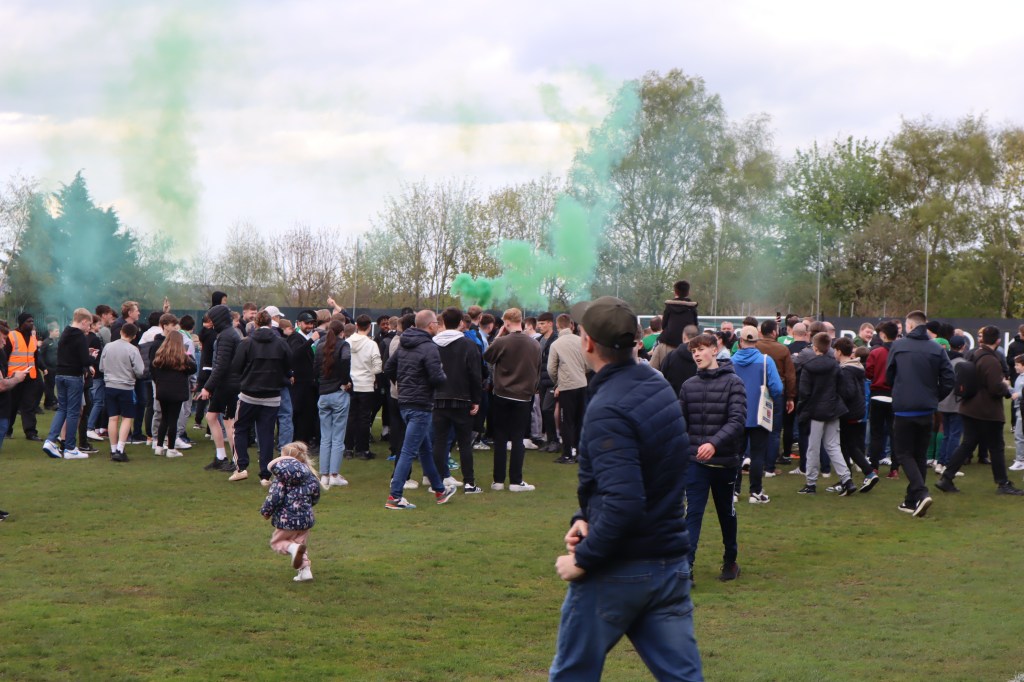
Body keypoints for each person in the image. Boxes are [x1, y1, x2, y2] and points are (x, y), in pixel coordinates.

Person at [550, 296, 702, 681]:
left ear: (586, 343)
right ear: (636, 340)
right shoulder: (656, 384)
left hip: (622, 568)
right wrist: (585, 517)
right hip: (668, 565)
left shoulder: (610, 407)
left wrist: (583, 559)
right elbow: (643, 474)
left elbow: (626, 501)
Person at [677, 332, 746, 582]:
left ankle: (730, 561)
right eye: (693, 350)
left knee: (725, 513)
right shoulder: (688, 386)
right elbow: (680, 424)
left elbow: (738, 421)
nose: (696, 354)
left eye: (701, 349)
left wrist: (714, 444)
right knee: (692, 513)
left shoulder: (733, 382)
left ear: (715, 350)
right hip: (696, 463)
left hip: (725, 462)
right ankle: (686, 568)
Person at [935, 325, 1024, 496]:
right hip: (987, 410)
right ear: (998, 341)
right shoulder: (991, 360)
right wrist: (1005, 388)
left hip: (969, 406)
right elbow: (994, 387)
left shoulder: (973, 354)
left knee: (967, 444)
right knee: (997, 446)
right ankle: (1003, 483)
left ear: (982, 339)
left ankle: (947, 477)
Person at [383, 310, 458, 509]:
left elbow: (389, 368)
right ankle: (395, 496)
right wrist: (442, 377)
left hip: (406, 403)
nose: (437, 325)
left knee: (425, 449)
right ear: (430, 325)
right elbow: (436, 377)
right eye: (436, 322)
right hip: (420, 405)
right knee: (408, 451)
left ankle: (440, 491)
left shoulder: (404, 343)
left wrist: (402, 385)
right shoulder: (428, 347)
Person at [885, 310, 954, 517]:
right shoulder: (936, 349)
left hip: (905, 408)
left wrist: (901, 391)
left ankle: (921, 493)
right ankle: (910, 500)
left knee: (904, 453)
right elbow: (949, 379)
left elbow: (889, 377)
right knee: (919, 455)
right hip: (926, 409)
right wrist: (933, 397)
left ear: (910, 326)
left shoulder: (898, 346)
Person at [229, 310, 292, 484]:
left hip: (249, 394)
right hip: (272, 395)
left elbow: (236, 366)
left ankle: (241, 467)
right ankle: (266, 474)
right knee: (266, 435)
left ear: (255, 324)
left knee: (239, 428)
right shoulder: (281, 343)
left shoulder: (247, 343)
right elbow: (289, 365)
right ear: (271, 324)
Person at [484, 308, 542, 492]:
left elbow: (487, 357)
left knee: (500, 438)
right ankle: (516, 481)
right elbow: (538, 369)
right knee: (518, 438)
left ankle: (498, 481)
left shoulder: (502, 342)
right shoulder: (534, 344)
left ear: (507, 322)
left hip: (502, 394)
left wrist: (498, 337)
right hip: (523, 396)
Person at [795, 333, 857, 497]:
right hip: (832, 409)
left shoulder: (808, 367)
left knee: (813, 448)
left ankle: (811, 483)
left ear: (814, 347)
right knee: (833, 446)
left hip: (815, 411)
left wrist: (802, 411)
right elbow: (842, 389)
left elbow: (804, 392)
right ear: (829, 347)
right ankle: (846, 479)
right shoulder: (835, 366)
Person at [432, 307, 483, 493]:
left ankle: (436, 481)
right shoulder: (468, 345)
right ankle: (469, 483)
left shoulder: (433, 344)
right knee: (463, 443)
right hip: (461, 398)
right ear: (461, 322)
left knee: (440, 441)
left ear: (443, 322)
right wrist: (476, 399)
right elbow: (475, 375)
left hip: (439, 398)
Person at [730, 326, 783, 503]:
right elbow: (777, 388)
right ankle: (755, 492)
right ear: (756, 341)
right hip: (759, 413)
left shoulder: (730, 362)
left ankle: (734, 492)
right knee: (758, 454)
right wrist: (770, 398)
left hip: (736, 414)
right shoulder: (766, 361)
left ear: (740, 341)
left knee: (735, 455)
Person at [260, 442, 320, 582]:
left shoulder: (281, 477)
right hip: (305, 519)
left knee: (278, 542)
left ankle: (292, 548)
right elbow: (315, 495)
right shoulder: (309, 474)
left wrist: (266, 511)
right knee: (300, 544)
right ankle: (305, 571)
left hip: (286, 519)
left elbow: (275, 497)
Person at [43, 308, 95, 460]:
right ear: (84, 321)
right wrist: (91, 357)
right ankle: (70, 448)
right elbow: (85, 361)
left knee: (62, 410)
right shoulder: (79, 336)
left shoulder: (66, 331)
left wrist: (85, 354)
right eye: (89, 324)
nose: (89, 328)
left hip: (60, 375)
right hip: (73, 377)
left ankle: (51, 441)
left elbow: (70, 353)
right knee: (73, 412)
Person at [198, 304, 242, 473]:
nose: (210, 323)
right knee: (211, 417)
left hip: (228, 384)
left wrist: (208, 387)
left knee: (229, 422)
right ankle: (221, 457)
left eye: (212, 319)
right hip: (226, 383)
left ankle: (236, 461)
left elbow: (221, 365)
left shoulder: (226, 336)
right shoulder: (228, 334)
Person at [834, 337, 880, 492]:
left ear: (839, 351)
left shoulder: (846, 370)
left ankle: (851, 478)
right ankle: (859, 475)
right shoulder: (856, 367)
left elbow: (848, 392)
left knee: (846, 446)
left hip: (849, 412)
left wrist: (836, 396)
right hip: (857, 410)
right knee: (850, 446)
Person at [314, 320, 352, 489]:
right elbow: (345, 363)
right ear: (342, 332)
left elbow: (315, 369)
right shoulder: (344, 346)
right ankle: (333, 474)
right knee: (337, 437)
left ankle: (324, 475)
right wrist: (345, 382)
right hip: (338, 393)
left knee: (325, 437)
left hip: (323, 394)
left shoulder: (320, 346)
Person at [99, 323, 144, 461]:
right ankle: (120, 448)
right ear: (134, 336)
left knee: (112, 418)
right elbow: (140, 371)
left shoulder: (108, 346)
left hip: (110, 385)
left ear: (121, 332)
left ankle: (113, 449)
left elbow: (101, 367)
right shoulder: (133, 349)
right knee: (127, 417)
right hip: (126, 386)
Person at [547, 313, 588, 465]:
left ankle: (567, 454)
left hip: (567, 386)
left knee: (566, 421)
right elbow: (589, 363)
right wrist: (581, 373)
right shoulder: (580, 341)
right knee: (580, 419)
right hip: (582, 384)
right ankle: (579, 452)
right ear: (571, 325)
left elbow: (551, 368)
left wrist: (557, 383)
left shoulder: (556, 344)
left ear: (557, 326)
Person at [150, 331, 196, 458]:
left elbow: (153, 371)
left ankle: (159, 446)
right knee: (173, 420)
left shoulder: (160, 356)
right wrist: (190, 356)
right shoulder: (183, 358)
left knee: (164, 418)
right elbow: (193, 369)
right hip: (177, 391)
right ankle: (171, 449)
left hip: (163, 390)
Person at [345, 314, 383, 460]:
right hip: (366, 385)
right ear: (369, 327)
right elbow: (378, 367)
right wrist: (369, 374)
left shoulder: (347, 342)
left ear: (356, 326)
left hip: (351, 383)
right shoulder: (371, 344)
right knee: (364, 418)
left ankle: (348, 448)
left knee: (351, 417)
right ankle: (362, 450)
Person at [6, 312, 45, 441]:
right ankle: (7, 430)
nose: (32, 324)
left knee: (29, 406)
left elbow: (35, 357)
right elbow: (4, 357)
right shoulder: (12, 336)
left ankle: (31, 432)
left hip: (30, 377)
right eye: (29, 321)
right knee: (11, 405)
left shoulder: (33, 337)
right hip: (14, 378)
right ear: (21, 323)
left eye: (32, 321)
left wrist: (41, 369)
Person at [651, 279, 699, 371]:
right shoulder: (692, 308)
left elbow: (664, 325)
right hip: (688, 346)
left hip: (669, 343)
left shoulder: (669, 307)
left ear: (675, 292)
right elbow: (695, 326)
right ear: (688, 292)